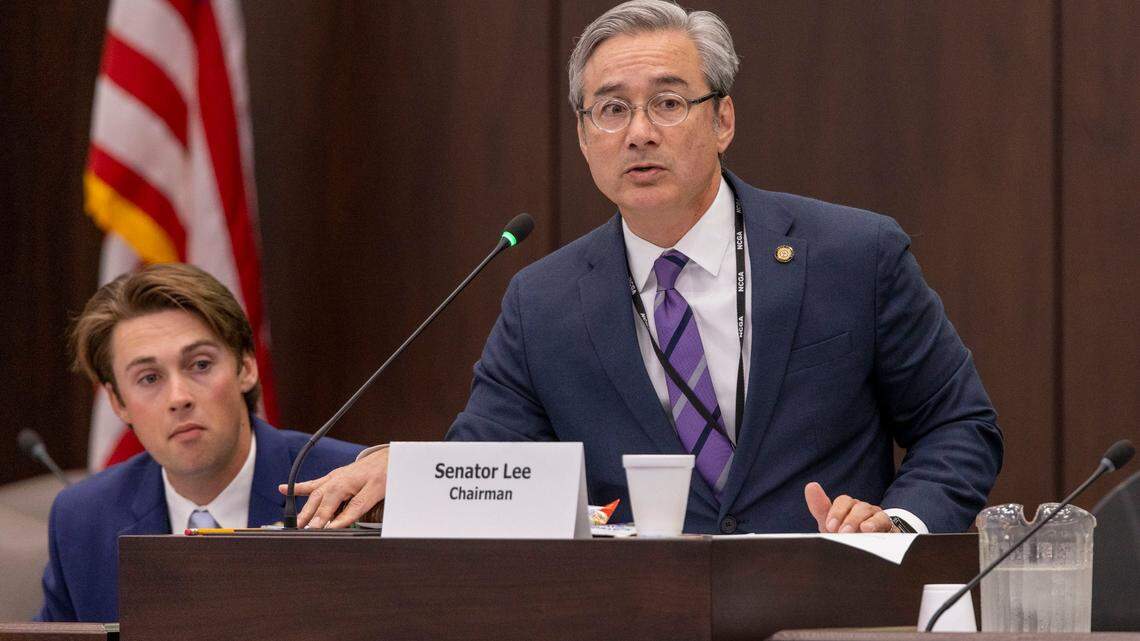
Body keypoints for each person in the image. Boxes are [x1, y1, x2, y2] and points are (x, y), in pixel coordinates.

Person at [287, 0, 1002, 535]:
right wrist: (406, 470)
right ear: (583, 133)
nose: (638, 132)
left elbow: (960, 424)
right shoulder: (543, 303)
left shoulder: (852, 254)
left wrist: (898, 524)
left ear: (722, 119)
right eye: (611, 109)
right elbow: (487, 464)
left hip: (830, 610)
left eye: (667, 102)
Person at [37, 264, 362, 622]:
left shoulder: (350, 482)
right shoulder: (84, 518)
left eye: (201, 364)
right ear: (118, 403)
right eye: (149, 378)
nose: (179, 397)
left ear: (246, 367)